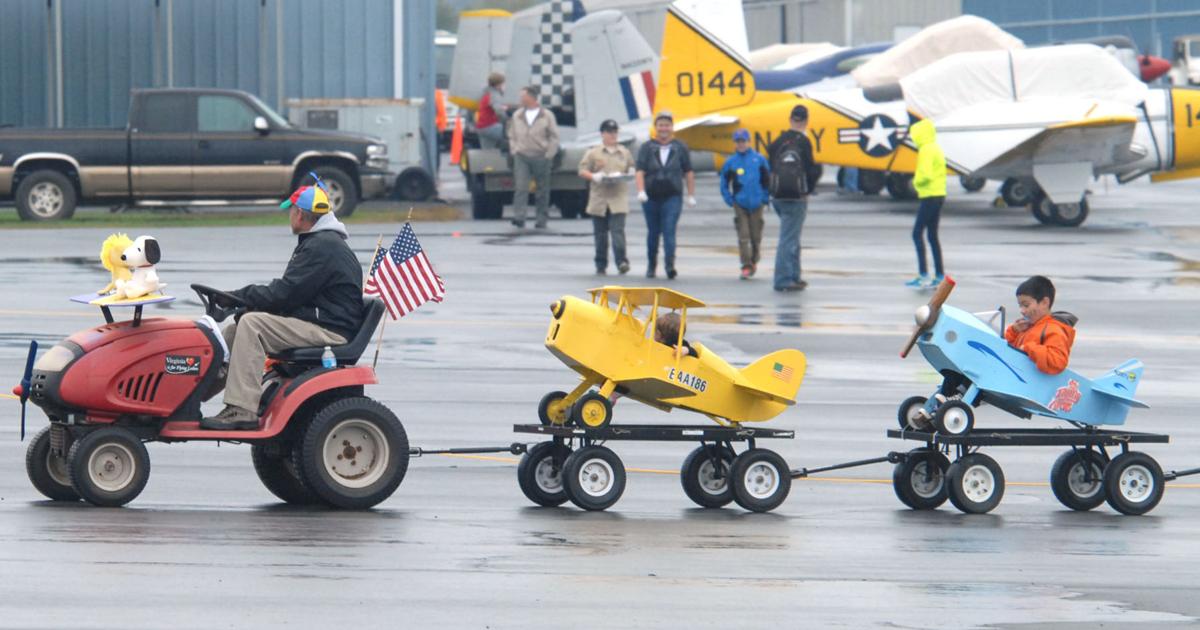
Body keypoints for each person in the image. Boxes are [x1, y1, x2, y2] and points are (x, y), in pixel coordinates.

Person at [200, 183, 363, 430]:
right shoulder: (320, 242)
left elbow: (284, 293)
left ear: (300, 214)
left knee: (252, 324)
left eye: (291, 210)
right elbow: (294, 295)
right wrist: (245, 303)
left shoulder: (322, 246)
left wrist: (239, 297)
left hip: (330, 330)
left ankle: (242, 410)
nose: (290, 215)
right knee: (236, 329)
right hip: (320, 320)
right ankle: (194, 394)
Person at [767, 104, 821, 292]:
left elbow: (770, 165)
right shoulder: (804, 142)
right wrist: (809, 190)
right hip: (797, 196)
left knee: (792, 237)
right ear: (806, 121)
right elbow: (812, 170)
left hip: (778, 196)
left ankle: (794, 276)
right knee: (789, 239)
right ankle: (783, 279)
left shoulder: (778, 142)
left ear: (790, 119)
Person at [636, 111, 695, 279]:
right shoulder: (647, 147)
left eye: (667, 125)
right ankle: (651, 265)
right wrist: (641, 191)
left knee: (669, 230)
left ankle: (670, 265)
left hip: (672, 196)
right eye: (661, 125)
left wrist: (690, 194)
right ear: (655, 127)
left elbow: (688, 171)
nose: (664, 128)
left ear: (672, 127)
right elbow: (640, 171)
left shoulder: (680, 147)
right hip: (651, 196)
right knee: (653, 232)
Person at [578, 119, 635, 275]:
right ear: (602, 134)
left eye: (615, 132)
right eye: (609, 132)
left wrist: (628, 173)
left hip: (618, 197)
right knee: (600, 235)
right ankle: (601, 263)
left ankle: (622, 261)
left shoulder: (624, 152)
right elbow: (582, 170)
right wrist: (593, 176)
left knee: (618, 232)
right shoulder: (593, 152)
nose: (613, 135)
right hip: (600, 198)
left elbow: (631, 168)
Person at [719, 128, 770, 279]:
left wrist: (765, 198)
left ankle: (754, 260)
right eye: (738, 142)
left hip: (757, 203)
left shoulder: (759, 159)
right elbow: (724, 182)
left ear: (749, 142)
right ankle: (746, 265)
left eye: (743, 141)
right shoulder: (731, 162)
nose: (741, 144)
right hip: (740, 203)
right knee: (743, 236)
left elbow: (767, 180)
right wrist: (729, 199)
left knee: (756, 236)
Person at [507, 86, 560, 229]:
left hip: (541, 156)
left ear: (531, 97)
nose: (520, 99)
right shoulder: (517, 115)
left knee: (542, 189)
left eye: (522, 96)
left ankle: (541, 219)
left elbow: (554, 136)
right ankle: (519, 217)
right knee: (521, 187)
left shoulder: (547, 115)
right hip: (522, 155)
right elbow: (511, 134)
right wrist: (514, 149)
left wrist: (549, 153)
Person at [1004, 275, 1075, 375]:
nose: (1022, 311)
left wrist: (1029, 348)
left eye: (1026, 305)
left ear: (1045, 302)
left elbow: (1057, 362)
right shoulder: (1027, 326)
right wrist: (1014, 331)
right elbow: (1006, 351)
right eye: (1020, 306)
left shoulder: (1054, 330)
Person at [906, 119, 947, 288]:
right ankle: (939, 275)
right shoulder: (935, 147)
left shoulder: (925, 150)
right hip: (939, 194)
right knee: (932, 236)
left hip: (929, 195)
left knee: (917, 233)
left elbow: (925, 174)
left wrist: (916, 183)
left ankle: (923, 274)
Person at [476, 72, 508, 150]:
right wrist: (507, 121)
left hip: (481, 127)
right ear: (499, 85)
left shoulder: (486, 92)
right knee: (514, 134)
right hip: (491, 126)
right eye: (503, 84)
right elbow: (499, 112)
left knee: (487, 152)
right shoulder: (495, 95)